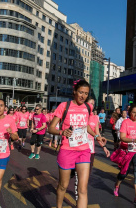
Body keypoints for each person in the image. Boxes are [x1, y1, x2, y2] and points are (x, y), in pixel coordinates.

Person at [48, 79, 101, 208]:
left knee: (82, 189)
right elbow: (51, 128)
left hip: (84, 150)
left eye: (86, 93)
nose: (83, 96)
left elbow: (86, 126)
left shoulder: (88, 107)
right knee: (63, 185)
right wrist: (62, 132)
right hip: (67, 150)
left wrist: (97, 136)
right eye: (81, 92)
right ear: (75, 92)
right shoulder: (64, 106)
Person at [111, 104, 136, 207]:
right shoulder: (125, 122)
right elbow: (122, 137)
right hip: (127, 150)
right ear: (130, 113)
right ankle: (117, 185)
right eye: (133, 112)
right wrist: (132, 140)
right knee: (124, 173)